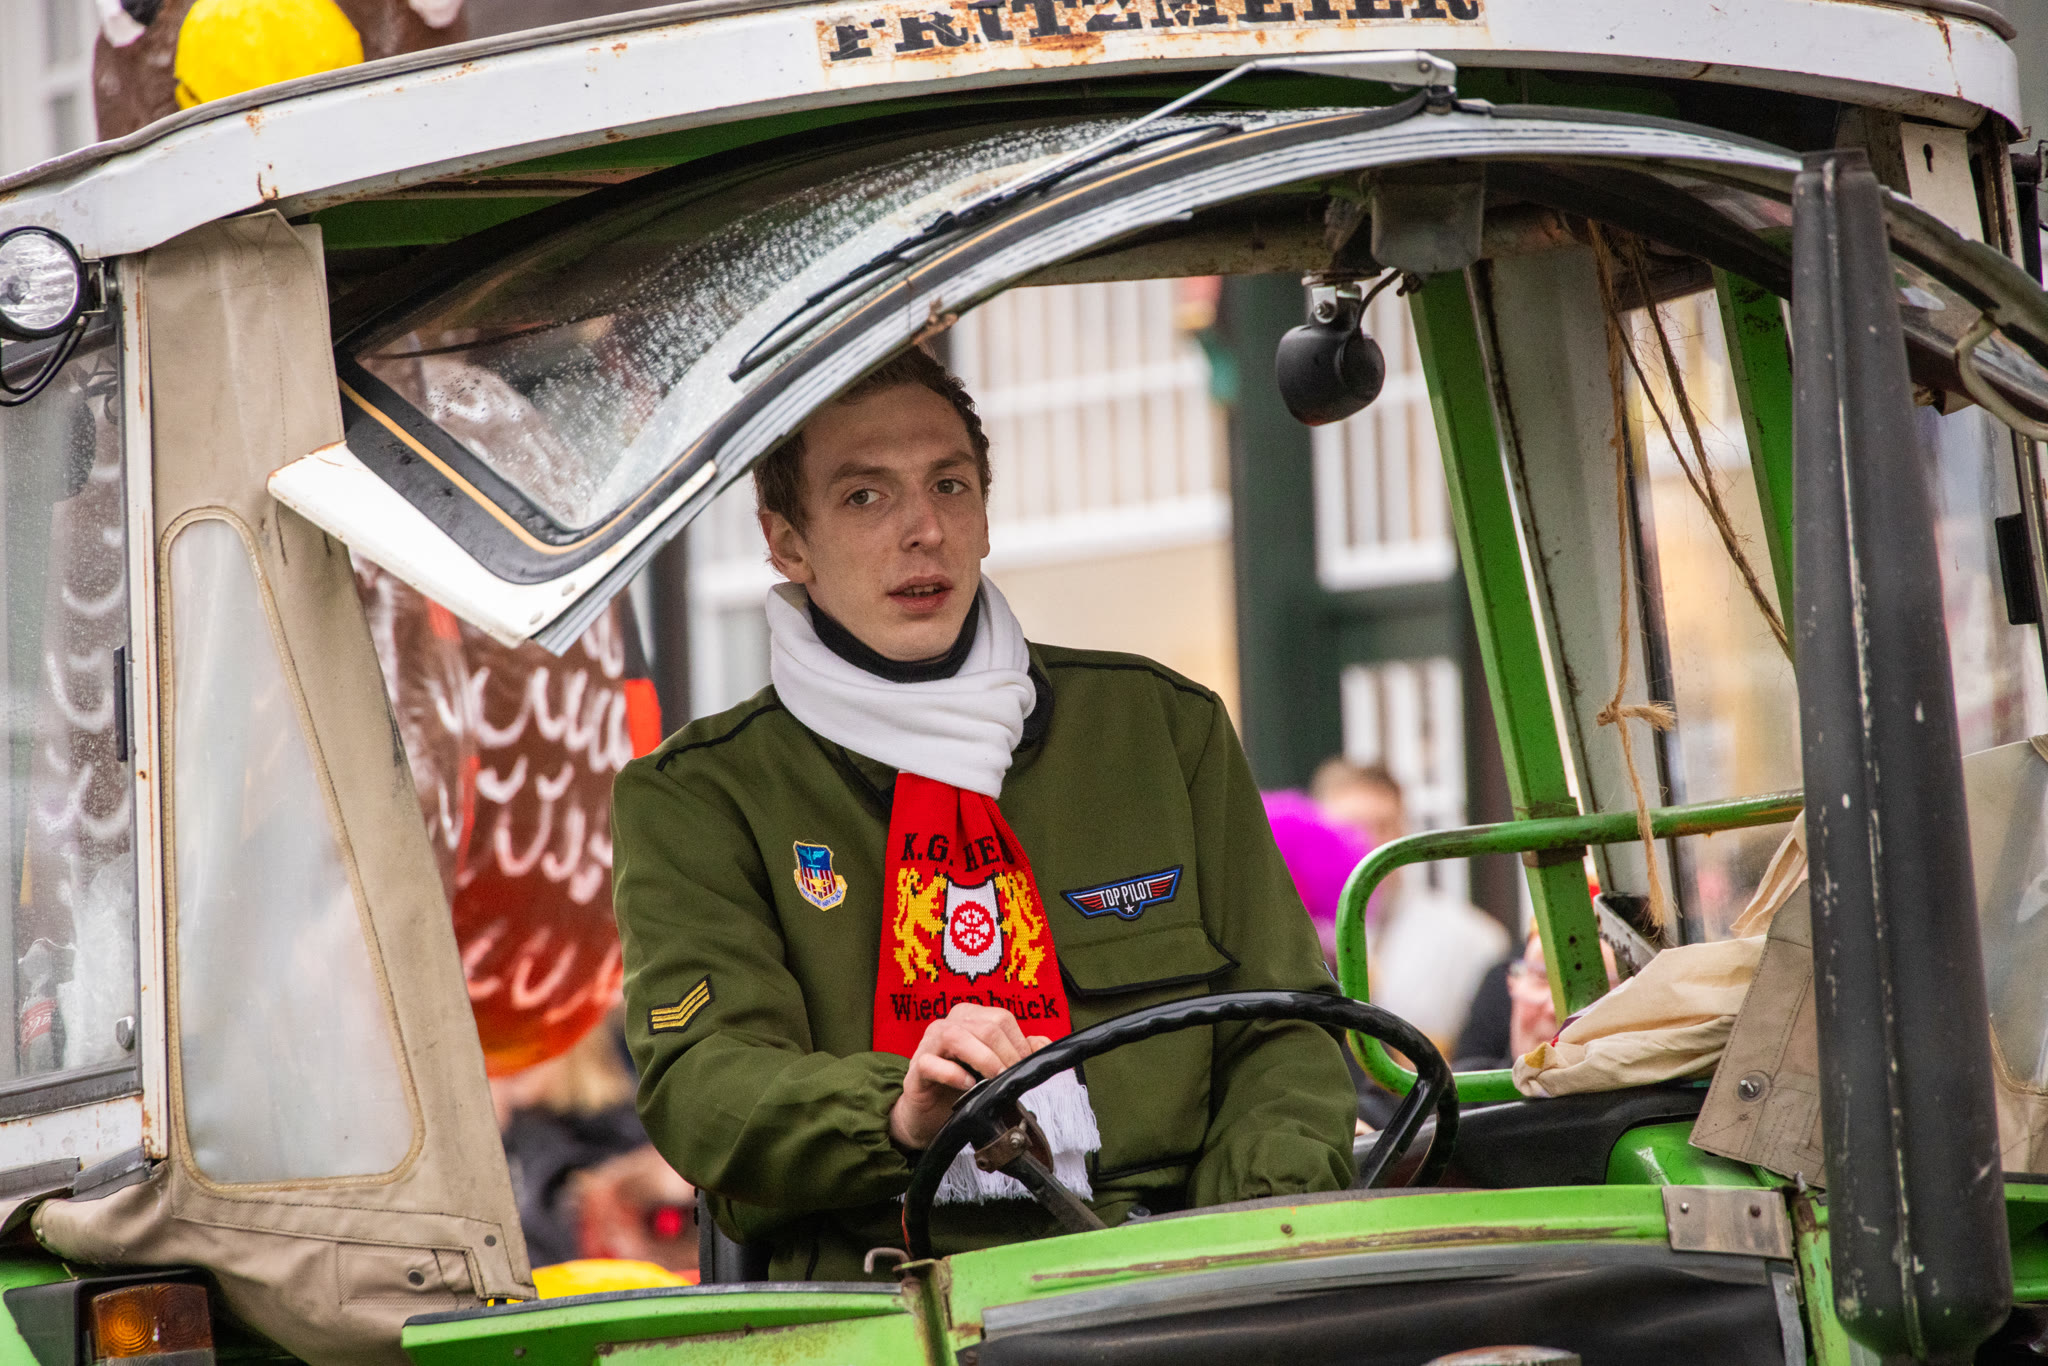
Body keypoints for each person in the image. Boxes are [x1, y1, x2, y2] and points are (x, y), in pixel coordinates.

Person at [612, 349, 1354, 1280]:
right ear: (787, 542)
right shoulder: (700, 795)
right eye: (865, 497)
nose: (924, 530)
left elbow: (1286, 1030)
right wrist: (898, 1111)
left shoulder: (1160, 730)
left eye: (949, 485)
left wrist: (1245, 1243)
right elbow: (703, 1086)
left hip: (1171, 1271)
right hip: (881, 1290)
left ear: (986, 514)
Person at [1311, 759, 1509, 1056]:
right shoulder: (1296, 934)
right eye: (1348, 828)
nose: (1366, 841)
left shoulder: (1469, 937)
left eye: (1384, 826)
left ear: (1404, 831)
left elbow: (1479, 1054)